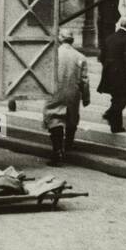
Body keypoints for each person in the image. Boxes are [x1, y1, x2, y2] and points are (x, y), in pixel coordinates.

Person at [43, 30, 90, 165]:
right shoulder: (80, 57)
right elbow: (84, 80)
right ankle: (68, 144)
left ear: (60, 38)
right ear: (72, 40)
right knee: (71, 118)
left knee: (54, 118)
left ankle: (58, 151)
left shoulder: (52, 55)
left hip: (55, 91)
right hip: (72, 92)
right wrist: (86, 97)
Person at [98, 17, 126, 133]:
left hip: (108, 73)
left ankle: (116, 127)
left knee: (116, 98)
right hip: (121, 74)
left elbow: (101, 57)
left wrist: (108, 67)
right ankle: (110, 113)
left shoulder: (109, 38)